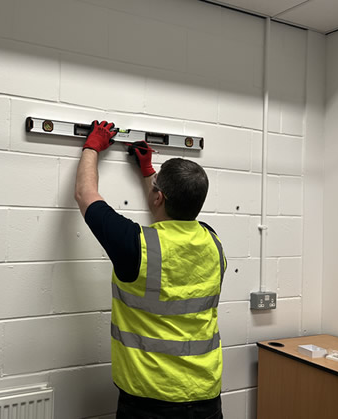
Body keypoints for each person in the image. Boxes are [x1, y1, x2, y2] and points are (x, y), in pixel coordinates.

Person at [75, 120, 225, 419]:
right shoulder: (213, 241)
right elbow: (169, 215)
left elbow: (85, 195)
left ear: (158, 197)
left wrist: (93, 145)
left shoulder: (135, 245)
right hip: (206, 396)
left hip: (149, 401)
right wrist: (147, 172)